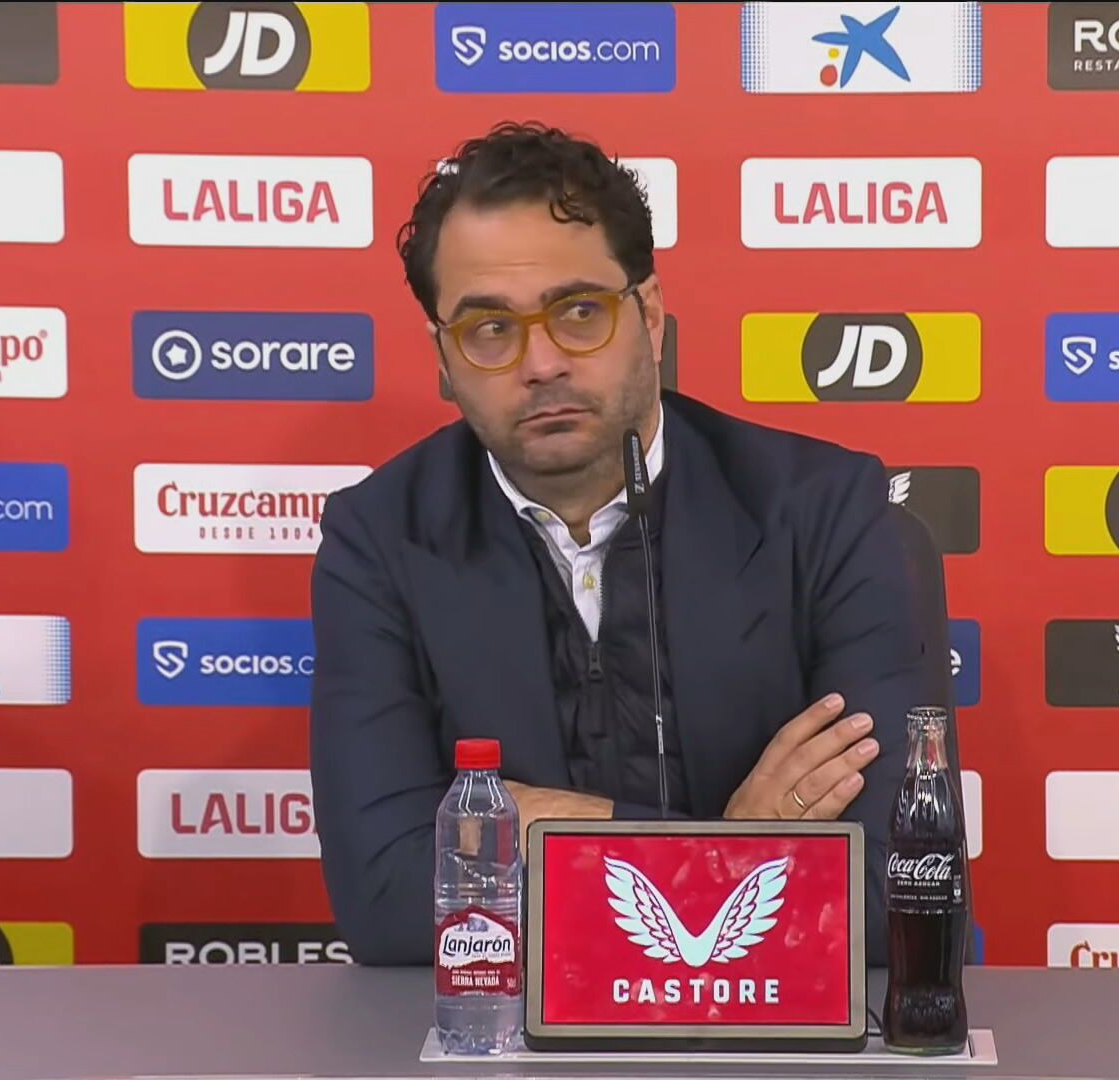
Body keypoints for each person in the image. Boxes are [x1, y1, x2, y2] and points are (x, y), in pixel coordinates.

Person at [308, 121, 937, 966]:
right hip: (503, 1032)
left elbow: (895, 896)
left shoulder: (823, 510)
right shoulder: (379, 539)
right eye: (489, 329)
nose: (540, 363)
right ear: (444, 360)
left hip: (772, 1026)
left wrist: (547, 836)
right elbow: (387, 902)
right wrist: (733, 843)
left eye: (579, 313)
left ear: (650, 314)